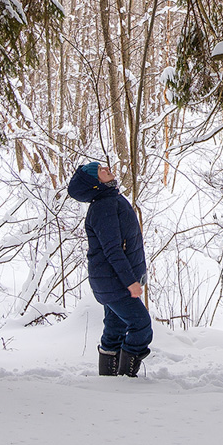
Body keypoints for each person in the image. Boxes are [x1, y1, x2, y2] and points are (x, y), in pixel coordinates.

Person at [67, 161, 152, 377]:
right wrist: (130, 282)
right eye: (99, 171)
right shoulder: (104, 206)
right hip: (115, 282)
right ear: (95, 184)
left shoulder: (110, 199)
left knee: (114, 329)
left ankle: (109, 382)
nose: (105, 169)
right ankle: (126, 378)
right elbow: (113, 250)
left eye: (101, 167)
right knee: (141, 325)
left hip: (112, 281)